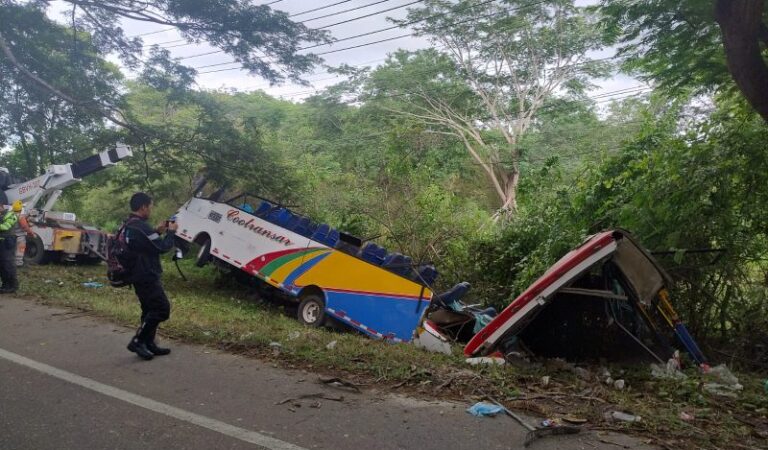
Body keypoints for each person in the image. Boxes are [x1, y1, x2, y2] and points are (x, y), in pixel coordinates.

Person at [123, 192, 177, 360]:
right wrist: (171, 232)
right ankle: (138, 341)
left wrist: (157, 231)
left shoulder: (130, 225)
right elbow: (162, 247)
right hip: (146, 274)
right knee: (162, 309)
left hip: (136, 274)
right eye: (150, 206)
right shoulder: (141, 226)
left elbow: (146, 244)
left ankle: (149, 343)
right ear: (143, 207)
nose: (151, 210)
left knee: (148, 309)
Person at [0, 203, 19, 293]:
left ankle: (13, 285)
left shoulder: (11, 215)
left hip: (8, 243)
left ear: (1, 206)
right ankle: (5, 285)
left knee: (8, 264)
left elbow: (6, 226)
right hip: (1, 243)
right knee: (2, 265)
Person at [13, 200, 34, 267]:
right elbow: (25, 227)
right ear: (21, 208)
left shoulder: (10, 215)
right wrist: (31, 233)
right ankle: (19, 263)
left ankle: (12, 263)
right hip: (20, 237)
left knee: (12, 250)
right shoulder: (21, 217)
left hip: (11, 236)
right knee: (20, 250)